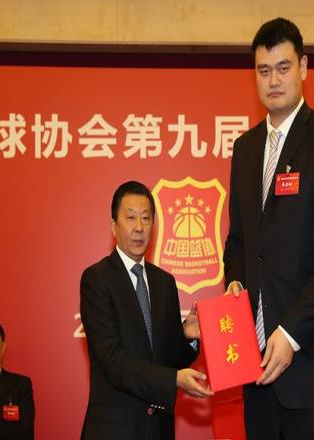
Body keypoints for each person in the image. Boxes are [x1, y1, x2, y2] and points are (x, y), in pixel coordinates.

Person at [223, 17, 314, 439]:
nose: (273, 81)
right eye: (264, 70)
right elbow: (240, 240)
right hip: (258, 374)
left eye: (283, 68)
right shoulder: (244, 149)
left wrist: (290, 334)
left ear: (303, 67)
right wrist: (235, 283)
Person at [80, 180, 212, 440]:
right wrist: (172, 380)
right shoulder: (97, 279)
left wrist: (187, 337)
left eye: (146, 218)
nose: (139, 227)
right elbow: (112, 361)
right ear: (113, 226)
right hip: (115, 430)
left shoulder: (164, 282)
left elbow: (169, 358)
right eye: (130, 218)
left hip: (159, 430)